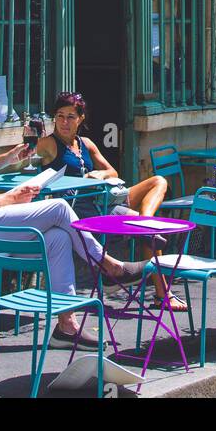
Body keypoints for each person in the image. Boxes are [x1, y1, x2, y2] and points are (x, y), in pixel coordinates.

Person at [0, 89, 147, 348]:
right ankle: (110, 266)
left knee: (59, 237)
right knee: (59, 208)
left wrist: (8, 158)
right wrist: (13, 198)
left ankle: (66, 326)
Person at [38, 91, 187, 312]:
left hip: (106, 199)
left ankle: (145, 225)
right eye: (59, 116)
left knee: (158, 181)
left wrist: (101, 175)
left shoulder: (85, 143)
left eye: (70, 116)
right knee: (149, 233)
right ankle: (162, 293)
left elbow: (112, 170)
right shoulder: (49, 144)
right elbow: (27, 156)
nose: (64, 122)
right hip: (82, 209)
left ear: (80, 119)